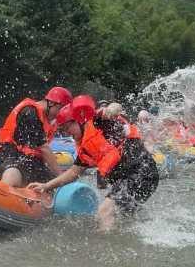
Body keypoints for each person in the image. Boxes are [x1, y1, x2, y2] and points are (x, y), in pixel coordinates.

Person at [28, 95, 159, 231]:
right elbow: (73, 172)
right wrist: (46, 186)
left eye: (67, 127)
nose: (67, 132)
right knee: (122, 218)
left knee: (104, 212)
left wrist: (111, 109)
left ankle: (107, 247)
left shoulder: (99, 122)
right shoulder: (85, 149)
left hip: (141, 173)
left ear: (77, 121)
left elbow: (115, 108)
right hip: (132, 179)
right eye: (63, 130)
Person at [0, 86, 73, 187]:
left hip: (32, 161)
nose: (59, 115)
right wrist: (61, 177)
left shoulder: (47, 119)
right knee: (14, 170)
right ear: (52, 103)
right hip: (12, 155)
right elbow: (44, 148)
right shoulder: (30, 112)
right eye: (60, 110)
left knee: (50, 181)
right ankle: (4, 192)